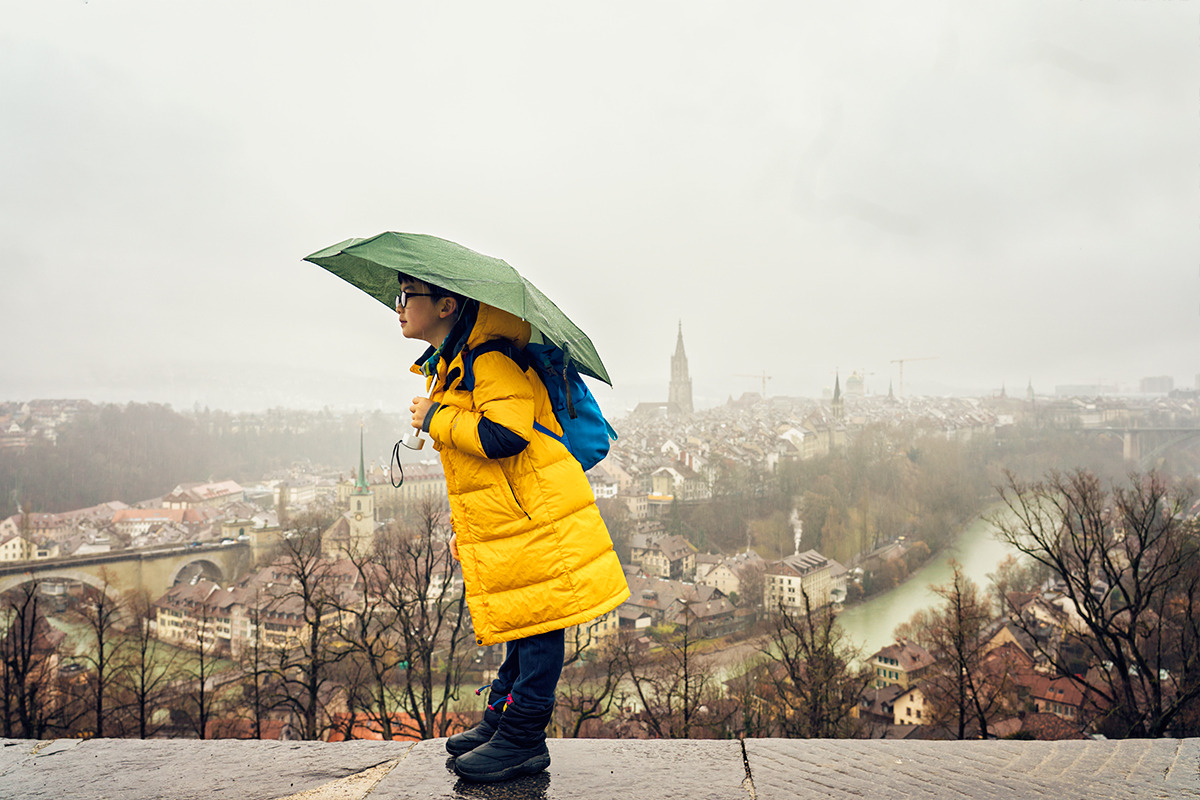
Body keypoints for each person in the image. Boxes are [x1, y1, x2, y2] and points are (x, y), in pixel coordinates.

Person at [397, 274, 629, 783]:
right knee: (525, 625)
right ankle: (502, 723)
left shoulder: (489, 360)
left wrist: (437, 418)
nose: (398, 307)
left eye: (405, 296)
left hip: (535, 518)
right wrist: (468, 530)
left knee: (540, 627)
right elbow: (478, 474)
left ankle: (523, 740)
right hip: (515, 517)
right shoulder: (458, 365)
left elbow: (505, 436)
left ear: (445, 305)